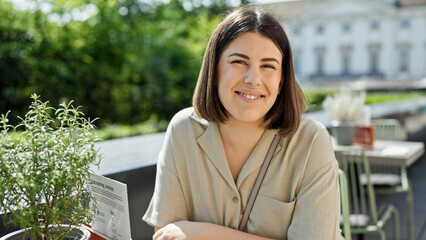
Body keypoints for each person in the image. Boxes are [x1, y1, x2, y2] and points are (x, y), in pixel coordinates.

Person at [143, 5, 341, 240]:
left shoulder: (310, 142)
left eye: (268, 66)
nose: (253, 79)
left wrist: (207, 233)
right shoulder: (183, 130)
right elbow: (167, 235)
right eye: (238, 62)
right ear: (214, 70)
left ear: (281, 81)